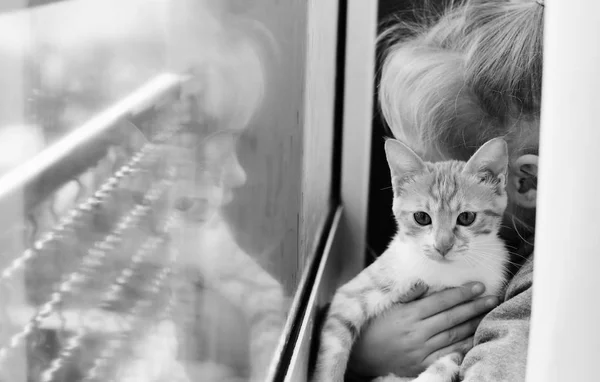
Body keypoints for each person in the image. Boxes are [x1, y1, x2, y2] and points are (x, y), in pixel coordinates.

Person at [348, 0, 542, 380]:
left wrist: (365, 364)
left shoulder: (535, 295)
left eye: (424, 169)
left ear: (523, 183)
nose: (406, 190)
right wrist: (361, 351)